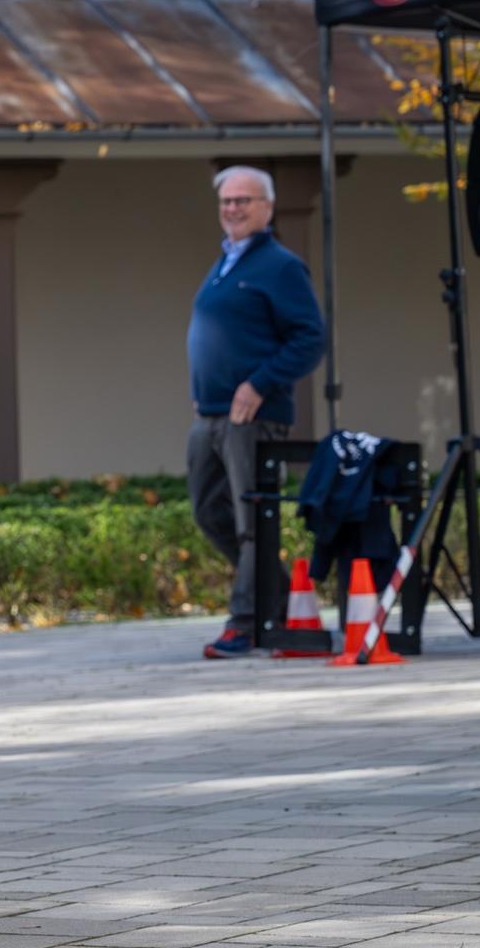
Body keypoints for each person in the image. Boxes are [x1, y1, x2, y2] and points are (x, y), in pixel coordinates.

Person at [187, 165, 325, 659]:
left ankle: (245, 622)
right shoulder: (226, 261)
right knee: (208, 512)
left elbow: (310, 339)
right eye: (226, 201)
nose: (233, 209)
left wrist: (260, 384)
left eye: (244, 201)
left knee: (252, 520)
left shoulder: (280, 265)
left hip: (250, 416)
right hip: (209, 414)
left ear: (267, 208)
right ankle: (280, 594)